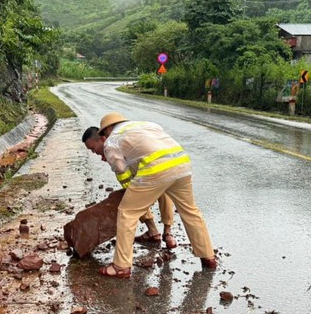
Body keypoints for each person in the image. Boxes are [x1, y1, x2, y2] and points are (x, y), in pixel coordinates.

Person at [84, 112, 218, 278]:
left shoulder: (111, 141)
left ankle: (121, 266)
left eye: (104, 133)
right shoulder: (146, 125)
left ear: (108, 129)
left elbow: (121, 170)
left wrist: (130, 190)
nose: (104, 136)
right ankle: (208, 257)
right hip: (182, 165)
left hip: (157, 170)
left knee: (127, 213)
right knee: (191, 212)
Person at [83, 126, 177, 250]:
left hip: (151, 166)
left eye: (93, 149)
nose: (94, 153)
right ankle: (160, 232)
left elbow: (127, 179)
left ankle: (161, 232)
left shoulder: (117, 146)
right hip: (149, 167)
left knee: (142, 192)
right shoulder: (114, 145)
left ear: (102, 139)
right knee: (142, 191)